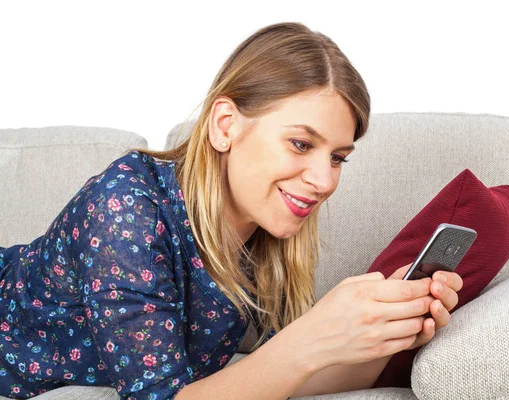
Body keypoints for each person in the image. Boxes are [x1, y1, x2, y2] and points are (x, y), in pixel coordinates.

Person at [0, 22, 462, 400]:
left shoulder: (261, 233)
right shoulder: (125, 209)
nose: (324, 182)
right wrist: (310, 337)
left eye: (338, 157)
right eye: (301, 144)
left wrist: (385, 338)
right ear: (226, 126)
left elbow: (274, 380)